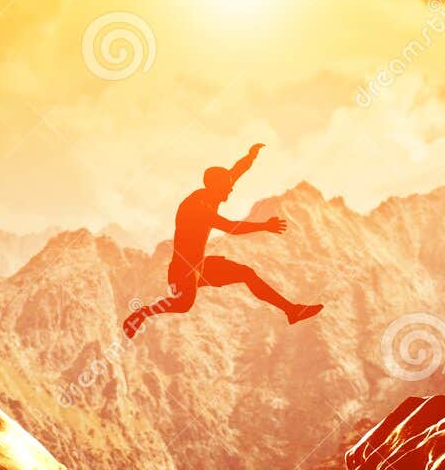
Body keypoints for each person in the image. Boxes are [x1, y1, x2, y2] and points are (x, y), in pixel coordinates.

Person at [123, 143, 323, 338]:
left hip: (200, 265)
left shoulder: (213, 193)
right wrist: (264, 226)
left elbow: (236, 172)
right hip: (183, 270)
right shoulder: (197, 207)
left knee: (246, 274)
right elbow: (230, 228)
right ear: (216, 186)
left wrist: (250, 156)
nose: (231, 190)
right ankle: (141, 313)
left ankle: (292, 311)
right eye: (227, 187)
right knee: (183, 305)